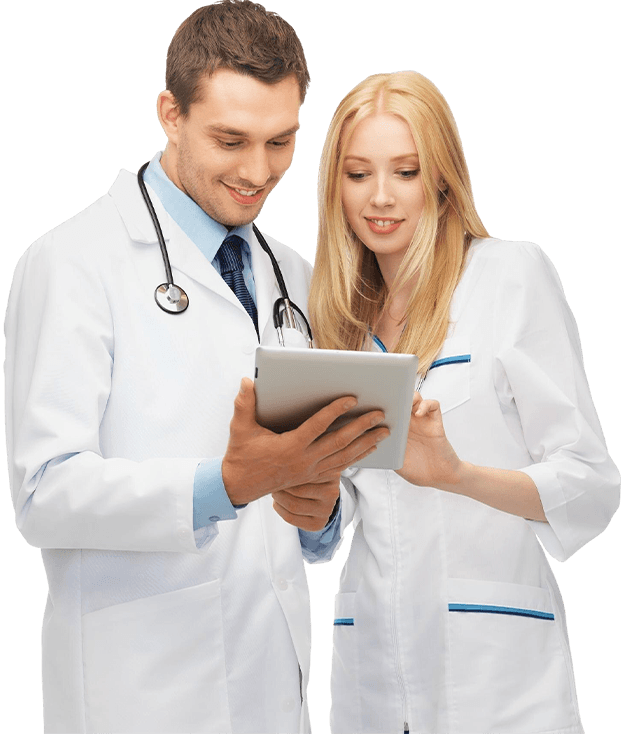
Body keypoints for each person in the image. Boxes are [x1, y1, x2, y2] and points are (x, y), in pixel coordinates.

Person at [4, 3, 389, 733]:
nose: (257, 171)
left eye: (281, 141)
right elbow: (44, 493)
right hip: (139, 691)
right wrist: (226, 485)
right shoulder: (73, 263)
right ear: (170, 114)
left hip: (272, 684)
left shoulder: (294, 277)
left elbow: (319, 513)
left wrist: (320, 513)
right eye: (230, 140)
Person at [308, 70, 620, 734]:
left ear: (443, 180)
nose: (380, 196)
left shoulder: (509, 276)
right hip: (372, 661)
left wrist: (457, 475)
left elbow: (590, 486)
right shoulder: (335, 323)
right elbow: (331, 526)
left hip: (492, 674)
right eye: (358, 174)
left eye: (406, 171)